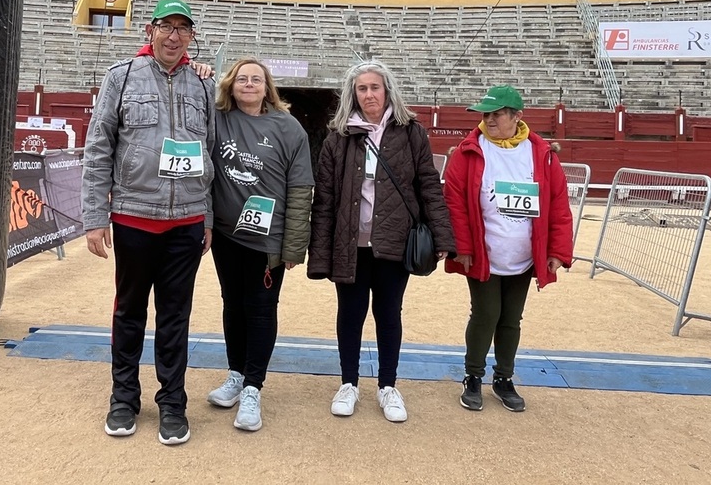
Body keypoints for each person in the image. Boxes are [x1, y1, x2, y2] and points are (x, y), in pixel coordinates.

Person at [81, 0, 215, 446]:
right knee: (129, 311)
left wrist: (209, 217)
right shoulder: (120, 78)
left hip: (188, 221)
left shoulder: (202, 86)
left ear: (191, 37)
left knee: (176, 316)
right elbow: (99, 148)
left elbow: (209, 154)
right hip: (135, 217)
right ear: (149, 30)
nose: (173, 35)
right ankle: (124, 397)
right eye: (166, 26)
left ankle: (173, 402)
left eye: (183, 28)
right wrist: (95, 216)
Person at [307, 61, 455, 422]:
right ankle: (349, 383)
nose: (369, 94)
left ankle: (388, 385)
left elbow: (429, 186)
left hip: (395, 240)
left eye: (375, 87)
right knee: (350, 314)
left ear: (387, 90)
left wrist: (442, 234)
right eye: (362, 88)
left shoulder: (411, 132)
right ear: (352, 94)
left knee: (389, 313)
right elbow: (324, 198)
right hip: (350, 242)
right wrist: (320, 250)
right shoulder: (338, 137)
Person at [443, 85, 573, 413]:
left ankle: (504, 378)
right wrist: (462, 245)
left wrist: (557, 250)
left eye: (496, 114)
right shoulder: (468, 150)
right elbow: (454, 201)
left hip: (524, 256)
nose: (489, 120)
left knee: (511, 319)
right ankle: (473, 376)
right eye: (485, 114)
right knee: (486, 314)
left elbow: (558, 204)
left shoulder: (540, 153)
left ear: (517, 117)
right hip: (483, 252)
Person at [205, 58, 314, 433]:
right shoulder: (217, 119)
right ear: (230, 85)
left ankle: (253, 387)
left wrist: (294, 245)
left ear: (268, 87)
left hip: (267, 241)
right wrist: (201, 70)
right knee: (232, 305)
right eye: (241, 79)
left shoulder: (289, 128)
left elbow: (301, 191)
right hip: (226, 235)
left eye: (256, 79)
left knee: (261, 310)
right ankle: (236, 375)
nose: (249, 84)